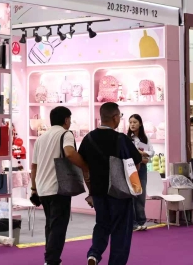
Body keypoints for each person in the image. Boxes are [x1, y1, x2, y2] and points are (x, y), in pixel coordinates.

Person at [78, 103, 142, 265]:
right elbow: (136, 161)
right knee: (121, 230)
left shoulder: (88, 138)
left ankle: (94, 254)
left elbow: (83, 166)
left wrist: (90, 191)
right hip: (119, 191)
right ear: (115, 117)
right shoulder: (121, 139)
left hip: (98, 191)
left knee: (102, 224)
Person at [30, 106, 90, 265]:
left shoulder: (41, 138)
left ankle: (50, 258)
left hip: (42, 188)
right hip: (59, 187)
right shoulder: (66, 134)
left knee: (50, 224)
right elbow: (69, 152)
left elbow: (34, 166)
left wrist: (34, 189)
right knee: (58, 226)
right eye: (70, 119)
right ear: (66, 120)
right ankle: (51, 261)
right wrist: (85, 166)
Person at [127, 114, 153, 231]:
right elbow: (126, 154)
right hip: (130, 168)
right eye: (130, 122)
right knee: (132, 196)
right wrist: (140, 157)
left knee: (141, 196)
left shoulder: (145, 138)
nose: (132, 124)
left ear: (140, 124)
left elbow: (151, 152)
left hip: (142, 169)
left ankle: (141, 221)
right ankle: (133, 223)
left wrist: (143, 154)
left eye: (135, 122)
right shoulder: (127, 138)